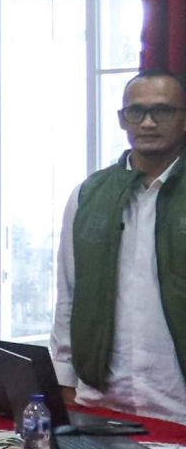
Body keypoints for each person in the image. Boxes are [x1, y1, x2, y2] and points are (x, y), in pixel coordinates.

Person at [51, 70, 186, 424]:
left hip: (178, 404)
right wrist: (64, 376)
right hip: (103, 400)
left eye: (163, 111)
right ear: (122, 120)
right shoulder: (88, 196)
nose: (148, 122)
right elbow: (69, 295)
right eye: (136, 111)